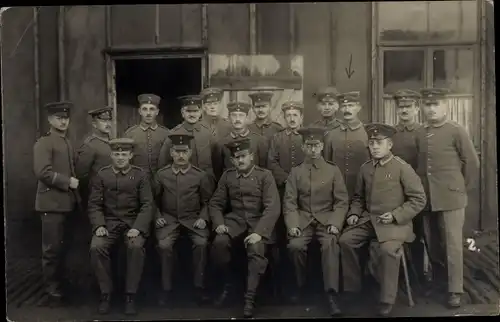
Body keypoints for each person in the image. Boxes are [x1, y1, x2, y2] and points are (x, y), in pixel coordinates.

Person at [338, 123, 426, 316]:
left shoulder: (403, 168)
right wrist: (353, 213)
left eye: (379, 142)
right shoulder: (365, 168)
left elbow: (419, 199)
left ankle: (387, 299)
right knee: (345, 241)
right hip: (369, 220)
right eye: (371, 143)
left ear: (390, 144)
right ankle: (354, 290)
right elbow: (358, 198)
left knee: (387, 250)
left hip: (395, 224)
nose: (375, 147)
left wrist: (396, 215)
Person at [415, 88, 480, 308]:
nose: (431, 109)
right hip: (427, 197)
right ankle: (441, 282)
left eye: (435, 105)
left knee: (452, 245)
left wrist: (460, 189)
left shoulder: (456, 130)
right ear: (422, 107)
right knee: (432, 243)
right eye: (427, 105)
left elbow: (471, 163)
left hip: (451, 197)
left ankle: (455, 290)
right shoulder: (421, 132)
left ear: (444, 106)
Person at [209, 138, 280, 318]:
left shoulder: (265, 176)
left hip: (259, 223)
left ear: (251, 157)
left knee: (256, 248)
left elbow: (272, 208)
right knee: (219, 243)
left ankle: (250, 297)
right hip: (235, 222)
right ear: (232, 160)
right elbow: (216, 203)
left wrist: (258, 232)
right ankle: (229, 285)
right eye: (236, 158)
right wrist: (219, 224)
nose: (240, 161)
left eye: (243, 156)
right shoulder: (228, 176)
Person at [284, 127, 349, 316]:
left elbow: (341, 201)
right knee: (295, 246)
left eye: (317, 146)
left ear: (322, 146)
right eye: (309, 146)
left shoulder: (332, 170)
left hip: (326, 219)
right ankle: (300, 286)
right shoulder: (295, 172)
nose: (313, 150)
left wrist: (335, 223)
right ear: (303, 147)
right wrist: (293, 225)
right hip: (303, 220)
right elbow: (289, 202)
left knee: (330, 244)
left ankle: (331, 294)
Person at [88, 138, 154, 315]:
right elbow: (94, 204)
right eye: (116, 154)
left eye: (124, 154)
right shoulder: (102, 175)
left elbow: (148, 204)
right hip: (109, 222)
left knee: (135, 246)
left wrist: (138, 227)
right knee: (97, 246)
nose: (120, 158)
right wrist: (99, 225)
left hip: (132, 222)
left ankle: (130, 295)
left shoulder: (140, 175)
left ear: (131, 155)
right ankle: (106, 293)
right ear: (111, 155)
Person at [154, 133, 216, 307]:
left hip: (193, 219)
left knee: (202, 243)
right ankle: (166, 289)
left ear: (190, 153)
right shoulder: (161, 175)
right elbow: (152, 201)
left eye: (184, 152)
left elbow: (208, 201)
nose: (181, 156)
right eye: (177, 152)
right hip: (169, 219)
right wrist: (157, 216)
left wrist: (204, 217)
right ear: (171, 153)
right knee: (164, 245)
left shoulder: (200, 176)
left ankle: (199, 287)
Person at [33, 101, 79, 307]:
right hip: (51, 204)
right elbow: (42, 172)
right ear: (50, 120)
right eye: (59, 118)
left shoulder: (66, 142)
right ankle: (52, 291)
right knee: (51, 250)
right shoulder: (44, 143)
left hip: (66, 204)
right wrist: (67, 181)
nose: (63, 121)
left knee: (64, 247)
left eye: (66, 118)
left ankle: (60, 285)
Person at [391, 89, 425, 282]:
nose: (404, 110)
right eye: (401, 107)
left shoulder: (423, 132)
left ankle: (419, 277)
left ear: (416, 108)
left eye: (408, 106)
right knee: (399, 235)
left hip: (417, 194)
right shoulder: (392, 134)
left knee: (419, 235)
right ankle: (401, 278)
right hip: (396, 193)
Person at [323, 91, 370, 199]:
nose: (347, 109)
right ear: (340, 109)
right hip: (337, 192)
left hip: (362, 191)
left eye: (351, 106)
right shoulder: (331, 134)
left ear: (358, 108)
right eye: (344, 106)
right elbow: (327, 164)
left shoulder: (368, 133)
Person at [158, 95, 216, 175]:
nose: (192, 114)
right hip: (184, 181)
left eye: (195, 111)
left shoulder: (208, 132)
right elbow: (163, 161)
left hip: (207, 179)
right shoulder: (174, 133)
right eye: (188, 111)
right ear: (182, 113)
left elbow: (217, 159)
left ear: (200, 112)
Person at [215, 101, 269, 177]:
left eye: (241, 115)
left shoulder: (259, 141)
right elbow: (218, 172)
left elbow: (264, 170)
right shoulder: (221, 143)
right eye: (234, 115)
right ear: (229, 118)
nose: (237, 119)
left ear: (247, 117)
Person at [124, 93, 170, 176]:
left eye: (152, 109)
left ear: (157, 112)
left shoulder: (166, 133)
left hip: (161, 178)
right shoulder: (130, 134)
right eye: (145, 109)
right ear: (140, 111)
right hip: (138, 178)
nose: (148, 113)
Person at [75, 107, 113, 202]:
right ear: (94, 124)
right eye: (103, 121)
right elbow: (81, 176)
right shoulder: (89, 145)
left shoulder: (113, 143)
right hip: (97, 197)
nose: (107, 124)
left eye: (109, 120)